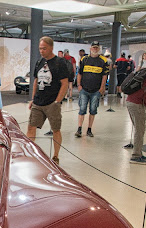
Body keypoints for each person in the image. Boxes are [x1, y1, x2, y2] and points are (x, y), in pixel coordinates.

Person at [27, 36, 69, 165]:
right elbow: (35, 81)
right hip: (38, 101)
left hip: (52, 102)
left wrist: (57, 101)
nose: (42, 51)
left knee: (55, 129)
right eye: (40, 48)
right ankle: (29, 153)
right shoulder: (39, 62)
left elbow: (64, 83)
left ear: (51, 48)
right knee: (31, 127)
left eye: (44, 48)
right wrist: (33, 99)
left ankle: (55, 156)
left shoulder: (60, 63)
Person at [75, 42, 109, 138]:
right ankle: (79, 128)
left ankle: (89, 129)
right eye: (93, 47)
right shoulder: (84, 59)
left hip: (96, 90)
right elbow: (80, 73)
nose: (94, 49)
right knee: (82, 109)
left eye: (96, 48)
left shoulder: (103, 60)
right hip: (84, 89)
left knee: (93, 110)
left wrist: (102, 88)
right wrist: (79, 85)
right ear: (90, 48)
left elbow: (104, 75)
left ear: (98, 49)